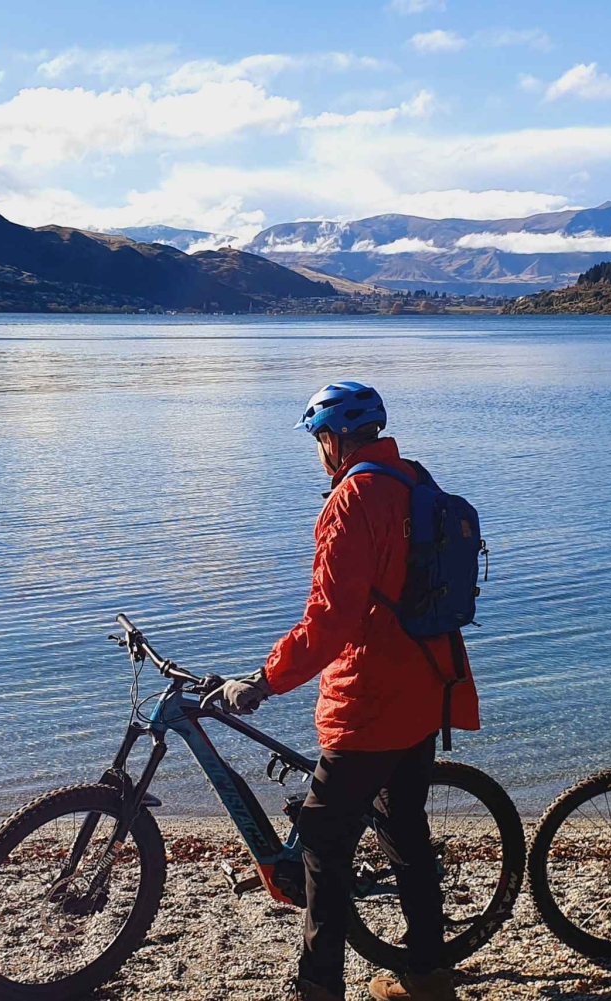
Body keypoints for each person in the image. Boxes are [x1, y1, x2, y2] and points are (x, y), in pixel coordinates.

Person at [207, 381, 480, 1001]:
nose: (318, 451)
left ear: (331, 440)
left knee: (324, 855)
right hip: (426, 685)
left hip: (371, 701)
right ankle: (429, 975)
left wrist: (266, 679)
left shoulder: (352, 500)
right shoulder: (414, 479)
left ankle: (319, 988)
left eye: (317, 439)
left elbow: (330, 621)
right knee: (405, 833)